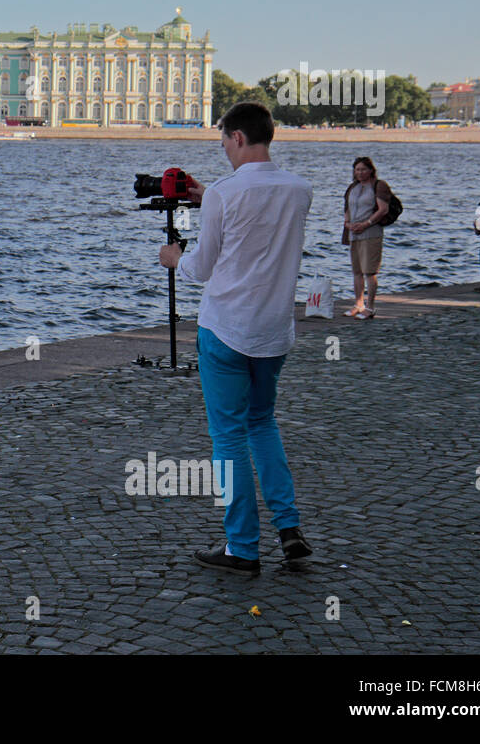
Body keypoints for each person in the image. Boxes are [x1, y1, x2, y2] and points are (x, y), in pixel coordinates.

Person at [159, 101, 314, 576]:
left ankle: (242, 547)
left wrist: (173, 259)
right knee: (262, 425)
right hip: (273, 331)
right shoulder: (299, 189)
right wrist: (209, 195)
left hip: (226, 329)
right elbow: (258, 218)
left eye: (223, 140)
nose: (223, 148)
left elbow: (201, 269)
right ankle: (289, 530)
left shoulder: (226, 193)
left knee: (227, 439)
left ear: (239, 138)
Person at [341, 157, 392, 319]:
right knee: (356, 271)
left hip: (371, 233)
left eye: (363, 169)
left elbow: (383, 209)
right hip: (354, 233)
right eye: (357, 170)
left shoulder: (378, 186)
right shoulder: (353, 187)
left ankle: (370, 307)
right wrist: (348, 224)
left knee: (369, 271)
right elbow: (347, 208)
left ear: (371, 170)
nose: (360, 173)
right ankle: (358, 304)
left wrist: (366, 223)